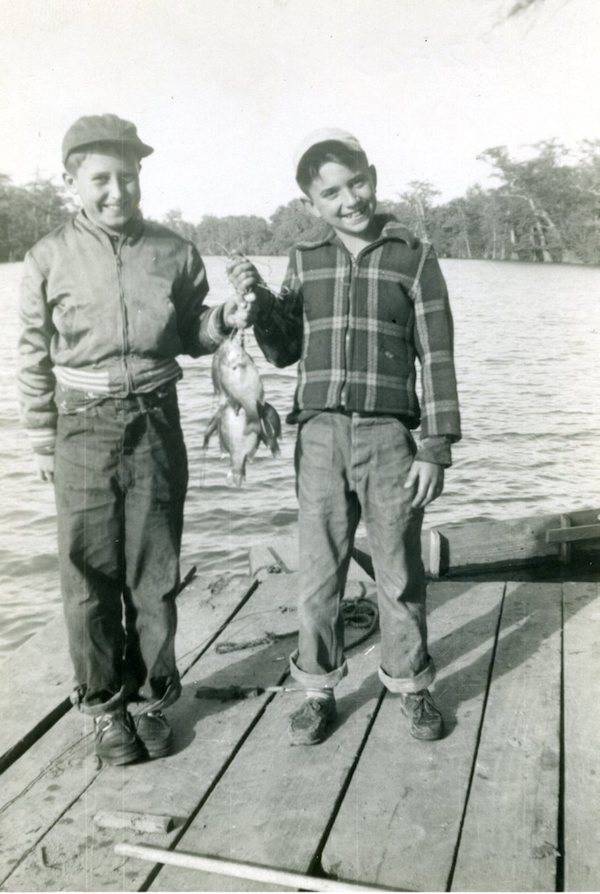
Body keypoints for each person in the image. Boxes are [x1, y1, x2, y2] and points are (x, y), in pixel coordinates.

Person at [17, 114, 246, 765]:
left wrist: (223, 320)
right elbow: (32, 357)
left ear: (140, 175)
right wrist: (41, 440)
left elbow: (192, 333)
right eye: (100, 179)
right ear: (73, 183)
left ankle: (148, 700)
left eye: (127, 176)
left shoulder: (174, 251)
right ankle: (104, 708)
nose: (116, 190)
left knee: (154, 572)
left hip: (155, 419)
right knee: (88, 579)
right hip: (80, 426)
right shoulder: (47, 258)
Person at [227, 128, 461, 745]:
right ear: (312, 204)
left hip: (389, 440)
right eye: (330, 193)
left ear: (373, 176)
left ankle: (411, 685)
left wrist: (435, 445)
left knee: (400, 571)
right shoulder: (305, 258)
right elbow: (282, 351)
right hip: (321, 439)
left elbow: (436, 357)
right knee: (319, 573)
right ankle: (318, 690)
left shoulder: (415, 254)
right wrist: (257, 303)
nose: (348, 199)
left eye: (356, 183)